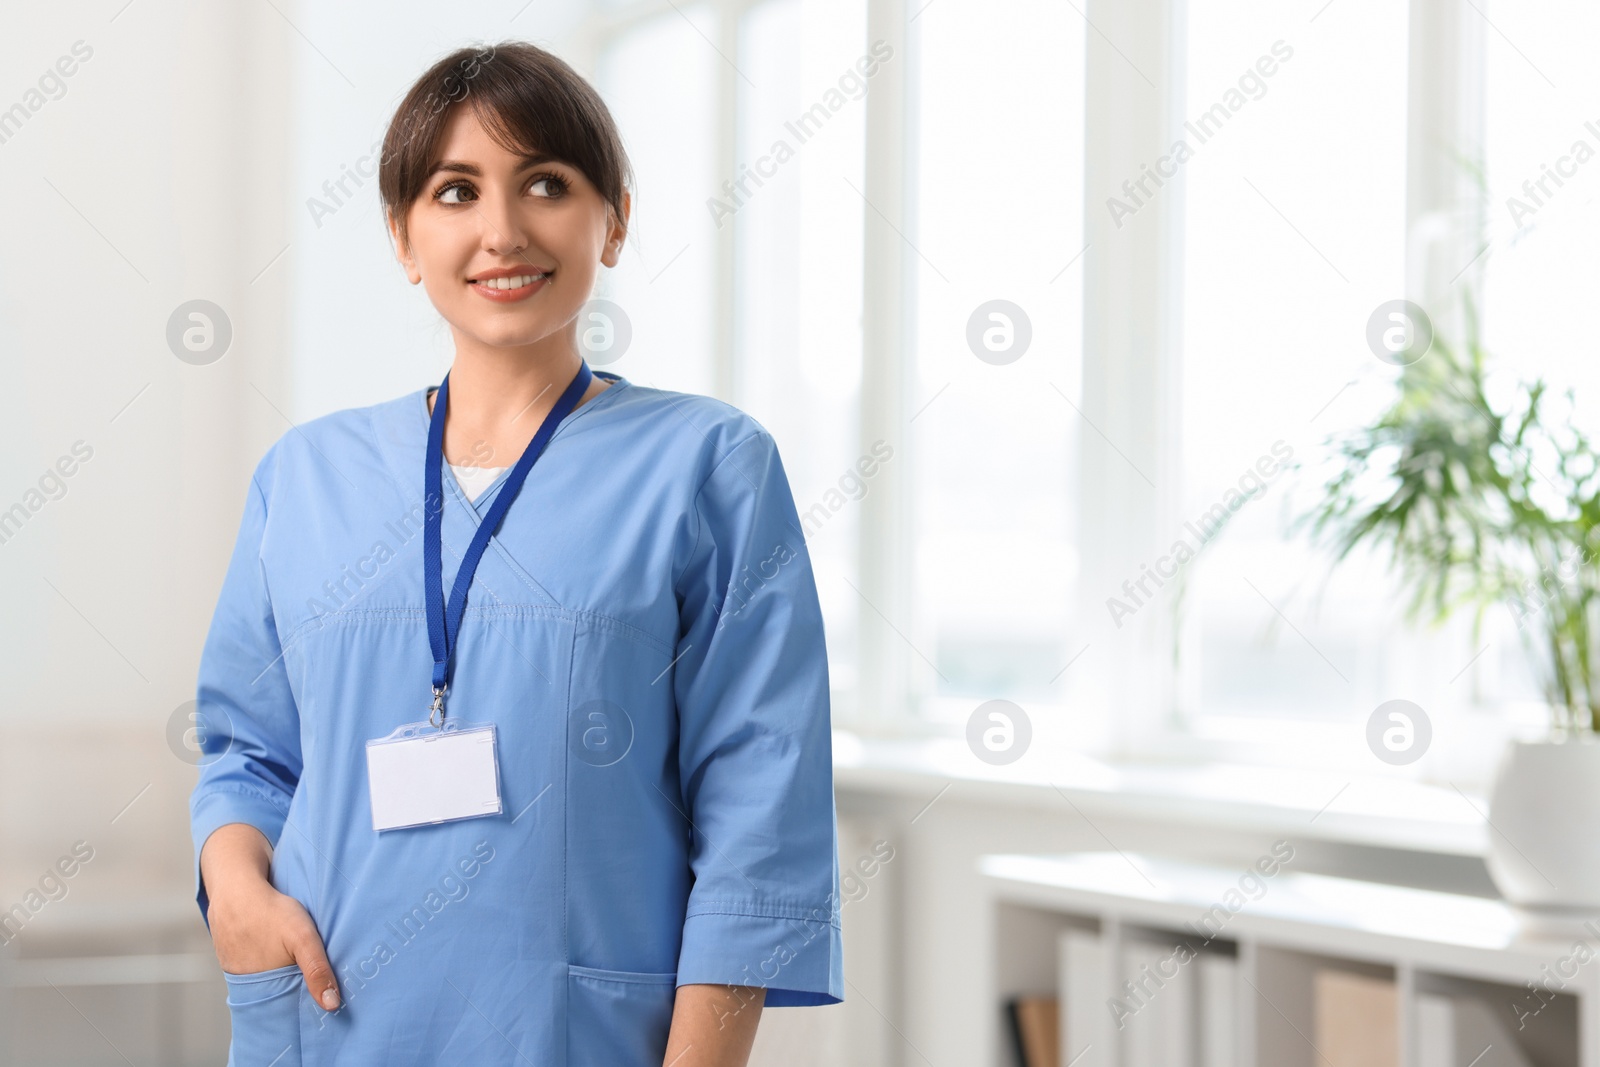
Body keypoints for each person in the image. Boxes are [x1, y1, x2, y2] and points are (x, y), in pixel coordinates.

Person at [189, 40, 842, 1067]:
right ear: (404, 236)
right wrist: (235, 891)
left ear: (613, 218)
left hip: (577, 1032)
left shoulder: (708, 466)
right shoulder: (304, 474)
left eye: (546, 182)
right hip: (326, 1019)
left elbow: (760, 801)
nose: (501, 230)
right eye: (454, 191)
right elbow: (246, 752)